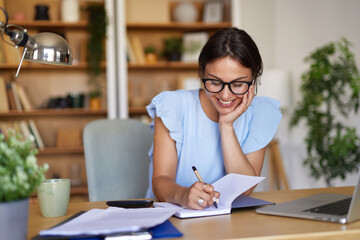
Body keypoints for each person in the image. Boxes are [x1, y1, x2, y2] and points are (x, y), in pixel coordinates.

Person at [145, 27, 282, 210]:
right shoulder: (173, 106)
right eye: (215, 82)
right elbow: (160, 181)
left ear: (254, 75)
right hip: (173, 216)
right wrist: (183, 195)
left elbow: (245, 188)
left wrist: (226, 125)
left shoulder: (261, 112)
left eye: (238, 84)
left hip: (231, 221)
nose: (225, 95)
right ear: (202, 72)